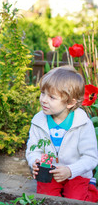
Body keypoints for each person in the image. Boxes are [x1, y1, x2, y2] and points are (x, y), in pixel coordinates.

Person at [26, 66, 98, 202]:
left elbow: (91, 158)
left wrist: (70, 170)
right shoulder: (38, 121)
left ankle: (91, 192)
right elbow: (33, 149)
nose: (44, 100)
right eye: (43, 93)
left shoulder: (82, 123)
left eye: (52, 97)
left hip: (77, 174)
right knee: (45, 199)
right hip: (49, 172)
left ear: (70, 102)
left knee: (75, 200)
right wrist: (34, 161)